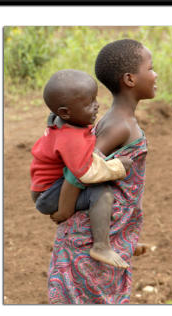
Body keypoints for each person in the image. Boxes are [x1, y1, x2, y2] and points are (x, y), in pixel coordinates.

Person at [48, 39, 157, 304]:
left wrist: (126, 239)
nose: (156, 75)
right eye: (151, 68)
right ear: (130, 79)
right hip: (85, 244)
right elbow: (81, 168)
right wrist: (64, 209)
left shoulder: (121, 120)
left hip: (99, 234)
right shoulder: (119, 125)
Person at [30, 69, 133, 269]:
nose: (97, 105)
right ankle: (101, 246)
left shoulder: (62, 121)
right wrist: (118, 167)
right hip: (50, 194)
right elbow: (84, 173)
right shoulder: (71, 138)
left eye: (95, 98)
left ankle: (119, 239)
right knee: (102, 194)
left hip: (45, 188)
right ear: (65, 112)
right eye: (89, 103)